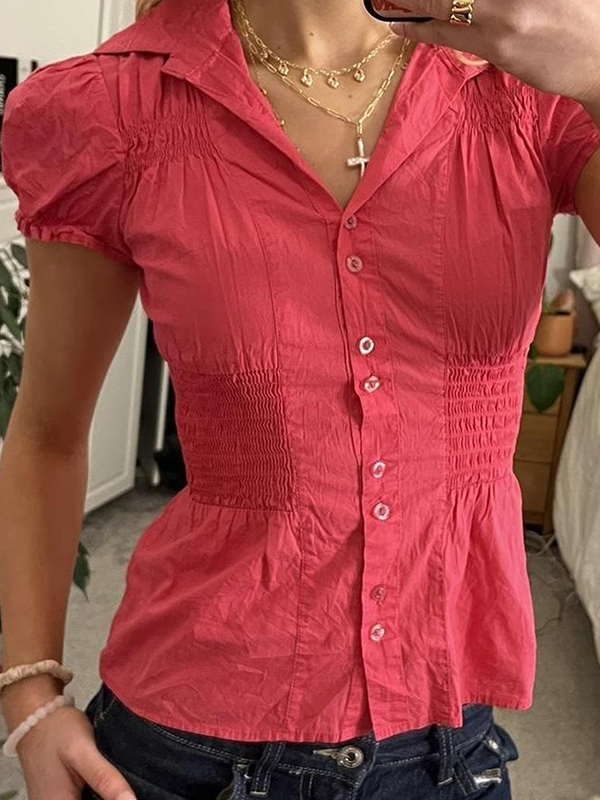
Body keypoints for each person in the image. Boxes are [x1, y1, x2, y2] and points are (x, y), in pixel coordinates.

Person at [0, 0, 599, 797]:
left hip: (448, 748)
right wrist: (30, 698)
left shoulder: (532, 86)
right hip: (191, 748)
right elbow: (47, 434)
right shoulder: (115, 107)